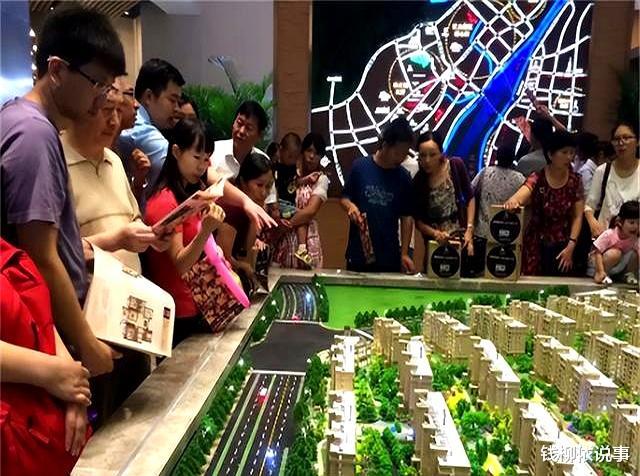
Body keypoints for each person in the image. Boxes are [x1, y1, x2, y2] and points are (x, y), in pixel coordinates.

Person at [0, 6, 124, 377]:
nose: (102, 99)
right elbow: (41, 257)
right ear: (56, 70)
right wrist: (86, 342)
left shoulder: (19, 120)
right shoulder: (34, 135)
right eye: (97, 83)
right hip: (44, 336)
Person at [1, 239, 91, 475]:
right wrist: (52, 374)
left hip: (56, 429)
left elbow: (41, 314)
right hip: (18, 447)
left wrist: (74, 386)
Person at [62, 87, 167, 273]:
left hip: (130, 286)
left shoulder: (114, 160)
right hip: (88, 289)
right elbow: (53, 252)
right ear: (81, 109)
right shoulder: (55, 163)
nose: (114, 122)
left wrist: (151, 236)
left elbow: (133, 218)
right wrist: (117, 240)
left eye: (118, 111)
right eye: (107, 110)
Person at [144, 118, 226, 347]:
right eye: (196, 157)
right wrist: (206, 231)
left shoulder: (193, 195)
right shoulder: (165, 201)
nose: (202, 167)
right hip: (176, 312)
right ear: (176, 152)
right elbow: (180, 264)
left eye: (206, 159)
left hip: (197, 305)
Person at [340, 118, 415, 273]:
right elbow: (345, 198)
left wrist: (404, 253)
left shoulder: (403, 177)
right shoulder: (360, 167)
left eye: (405, 154)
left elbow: (407, 216)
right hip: (359, 253)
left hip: (389, 256)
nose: (400, 158)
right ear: (385, 145)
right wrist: (350, 207)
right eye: (397, 153)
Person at [505, 130, 584, 276]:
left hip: (564, 245)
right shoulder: (537, 177)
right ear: (550, 154)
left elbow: (577, 216)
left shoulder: (575, 180)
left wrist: (571, 245)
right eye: (564, 152)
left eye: (572, 153)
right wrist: (513, 202)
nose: (569, 157)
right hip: (535, 244)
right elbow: (520, 195)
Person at [118, 58, 185, 204]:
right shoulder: (138, 128)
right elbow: (185, 166)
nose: (176, 109)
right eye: (172, 100)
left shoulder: (152, 126)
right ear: (148, 97)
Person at [411, 131, 478, 274]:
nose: (427, 160)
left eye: (432, 155)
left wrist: (469, 229)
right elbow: (419, 222)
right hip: (435, 248)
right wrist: (435, 234)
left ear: (441, 153)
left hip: (460, 242)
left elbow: (470, 197)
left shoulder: (455, 166)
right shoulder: (418, 181)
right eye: (422, 155)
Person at [207, 100, 277, 231]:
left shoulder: (263, 160)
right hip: (212, 227)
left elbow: (268, 202)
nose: (241, 131)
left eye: (249, 128)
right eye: (239, 123)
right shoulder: (214, 152)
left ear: (259, 135)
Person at [274, 133, 330, 269]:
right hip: (283, 239)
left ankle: (302, 249)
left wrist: (284, 227)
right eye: (309, 151)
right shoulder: (292, 172)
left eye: (317, 153)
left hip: (305, 239)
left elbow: (310, 211)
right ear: (302, 152)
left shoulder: (320, 179)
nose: (312, 156)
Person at [218, 152, 275, 283]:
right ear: (243, 182)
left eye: (268, 186)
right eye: (259, 185)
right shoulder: (233, 208)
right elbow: (221, 257)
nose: (264, 193)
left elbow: (247, 248)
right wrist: (242, 266)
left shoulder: (251, 209)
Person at [584, 122, 640, 239]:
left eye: (626, 138)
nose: (621, 143)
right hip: (605, 239)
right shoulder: (603, 171)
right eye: (616, 139)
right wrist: (592, 223)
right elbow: (589, 206)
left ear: (638, 141)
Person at [472, 142, 525, 240]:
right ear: (513, 159)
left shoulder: (484, 173)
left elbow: (471, 192)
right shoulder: (519, 179)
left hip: (482, 231)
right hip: (508, 233)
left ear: (497, 156)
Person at [589, 201, 639, 285]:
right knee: (615, 253)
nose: (636, 226)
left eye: (639, 223)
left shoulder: (635, 238)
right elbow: (597, 253)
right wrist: (600, 271)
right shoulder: (609, 234)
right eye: (632, 223)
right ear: (620, 222)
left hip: (617, 266)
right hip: (599, 264)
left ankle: (628, 275)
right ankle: (603, 275)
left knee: (635, 254)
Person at [273, 132, 302, 220]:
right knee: (301, 214)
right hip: (280, 203)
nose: (292, 161)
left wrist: (306, 179)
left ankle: (287, 215)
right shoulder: (276, 168)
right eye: (290, 156)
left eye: (295, 157)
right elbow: (274, 188)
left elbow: (295, 182)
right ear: (281, 150)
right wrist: (275, 207)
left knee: (300, 214)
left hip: (291, 204)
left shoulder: (293, 167)